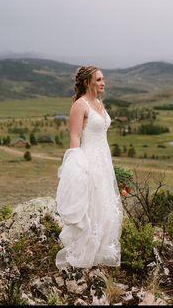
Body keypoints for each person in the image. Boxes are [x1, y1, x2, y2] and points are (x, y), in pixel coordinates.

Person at [55, 66, 123, 269]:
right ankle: (83, 255)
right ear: (87, 82)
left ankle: (99, 254)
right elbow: (75, 137)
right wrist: (77, 167)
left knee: (104, 206)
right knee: (90, 206)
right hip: (88, 160)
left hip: (104, 162)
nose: (103, 83)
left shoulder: (99, 103)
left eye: (103, 79)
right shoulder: (80, 105)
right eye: (99, 79)